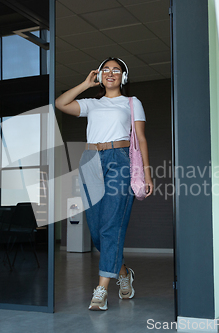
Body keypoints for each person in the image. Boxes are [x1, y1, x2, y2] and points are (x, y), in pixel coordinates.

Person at [56, 57, 153, 311]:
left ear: (124, 76)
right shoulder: (92, 104)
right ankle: (123, 273)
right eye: (105, 70)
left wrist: (147, 173)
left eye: (116, 70)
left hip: (119, 160)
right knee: (97, 230)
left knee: (111, 225)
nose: (111, 73)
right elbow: (61, 103)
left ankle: (101, 290)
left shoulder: (132, 103)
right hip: (90, 161)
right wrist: (86, 84)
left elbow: (141, 139)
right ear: (99, 75)